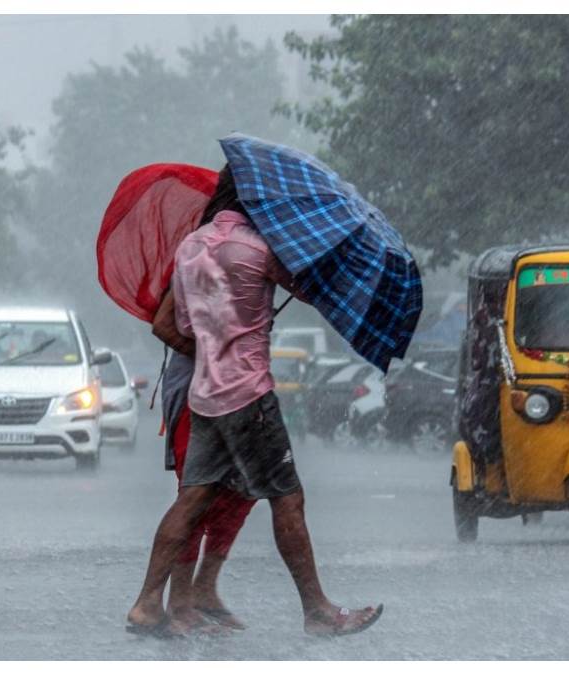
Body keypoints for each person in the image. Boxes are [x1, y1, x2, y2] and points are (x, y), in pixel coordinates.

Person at [126, 166, 383, 638]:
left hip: (205, 396)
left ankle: (146, 604)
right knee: (287, 498)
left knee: (191, 499)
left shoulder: (189, 249)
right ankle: (319, 611)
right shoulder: (260, 249)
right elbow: (311, 290)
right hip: (249, 395)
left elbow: (182, 325)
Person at [159, 350, 255, 635]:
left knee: (243, 491)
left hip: (240, 391)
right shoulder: (194, 302)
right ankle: (179, 602)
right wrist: (217, 347)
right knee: (197, 495)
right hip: (198, 394)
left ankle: (204, 589)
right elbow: (168, 326)